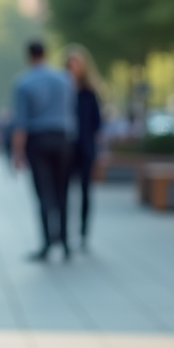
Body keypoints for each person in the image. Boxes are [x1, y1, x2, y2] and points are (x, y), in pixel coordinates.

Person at [12, 40, 76, 262]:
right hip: (62, 138)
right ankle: (66, 242)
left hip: (37, 140)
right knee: (63, 191)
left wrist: (17, 153)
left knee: (43, 193)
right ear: (46, 54)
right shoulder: (65, 79)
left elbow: (20, 122)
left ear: (29, 56)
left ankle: (47, 242)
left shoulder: (23, 83)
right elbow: (71, 111)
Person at [64, 45, 103, 250]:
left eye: (76, 64)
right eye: (70, 64)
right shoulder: (61, 91)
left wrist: (97, 152)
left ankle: (83, 233)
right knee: (64, 192)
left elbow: (97, 124)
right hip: (65, 148)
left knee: (86, 192)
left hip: (85, 148)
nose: (73, 68)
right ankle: (64, 233)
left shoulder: (89, 93)